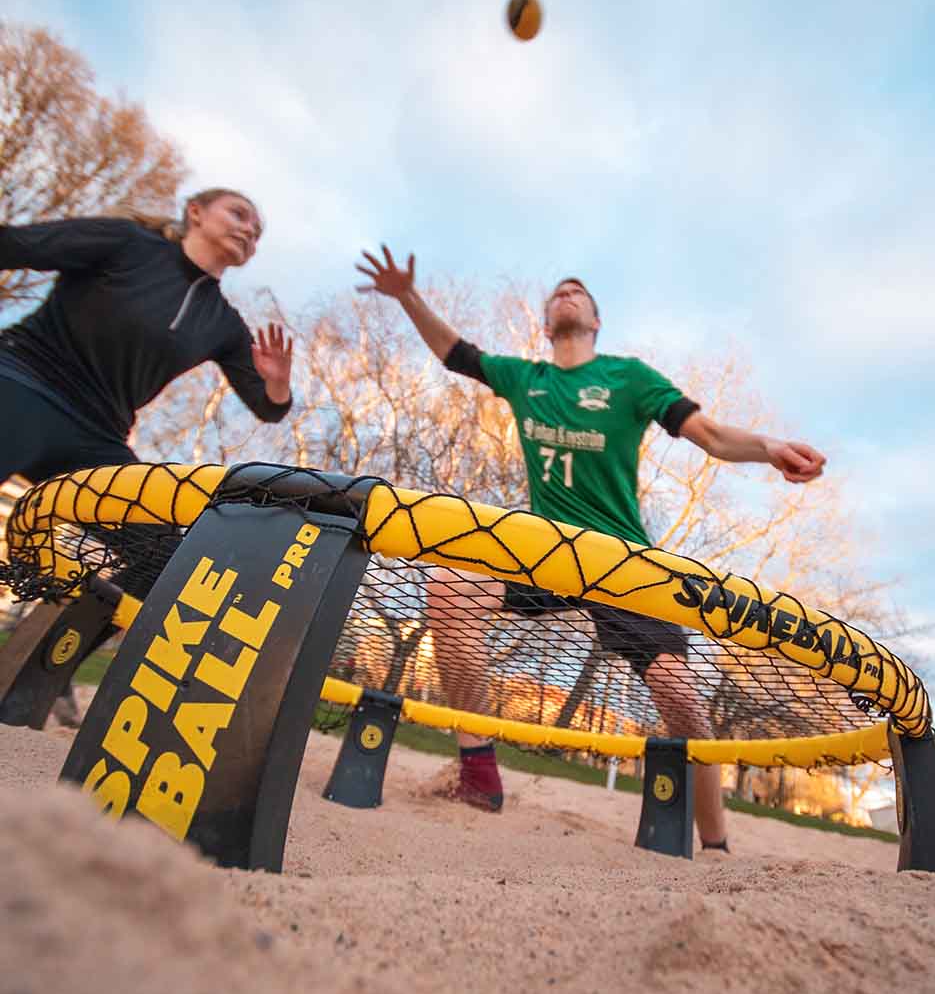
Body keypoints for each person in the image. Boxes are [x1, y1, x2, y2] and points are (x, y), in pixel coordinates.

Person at [357, 247, 826, 851]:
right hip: (544, 551)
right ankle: (479, 772)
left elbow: (708, 435)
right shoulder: (527, 379)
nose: (568, 293)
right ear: (546, 324)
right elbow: (456, 355)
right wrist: (407, 297)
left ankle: (715, 845)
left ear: (597, 322)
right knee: (449, 589)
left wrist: (769, 448)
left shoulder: (628, 378)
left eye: (580, 291)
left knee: (682, 699)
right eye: (559, 292)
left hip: (623, 563)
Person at [0, 187, 293, 487]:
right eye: (238, 214)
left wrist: (278, 381)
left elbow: (268, 406)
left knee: (162, 532)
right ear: (196, 212)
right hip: (24, 381)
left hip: (96, 433)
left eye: (256, 232)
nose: (248, 230)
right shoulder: (127, 241)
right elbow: (13, 245)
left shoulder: (225, 324)